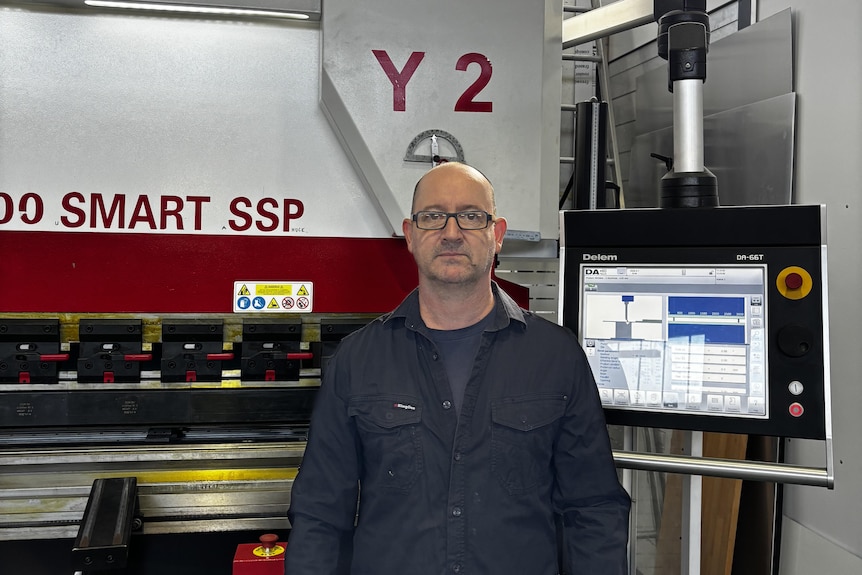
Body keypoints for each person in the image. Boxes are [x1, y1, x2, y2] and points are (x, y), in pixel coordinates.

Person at [285, 162, 631, 575]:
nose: (451, 233)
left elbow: (593, 508)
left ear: (497, 234)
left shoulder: (557, 357)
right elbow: (320, 514)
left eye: (471, 216)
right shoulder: (356, 360)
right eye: (433, 216)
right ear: (410, 235)